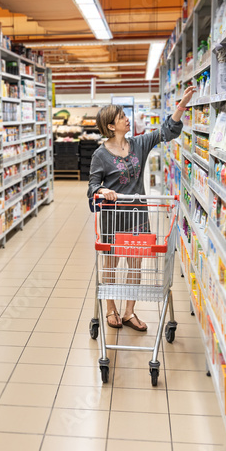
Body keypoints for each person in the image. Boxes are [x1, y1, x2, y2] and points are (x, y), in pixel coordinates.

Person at [87, 86, 195, 331]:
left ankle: (129, 312)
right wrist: (103, 191)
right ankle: (110, 309)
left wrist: (182, 105)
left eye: (125, 115)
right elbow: (92, 185)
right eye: (122, 117)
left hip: (138, 215)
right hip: (114, 219)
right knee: (111, 263)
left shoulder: (138, 144)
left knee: (136, 263)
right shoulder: (100, 155)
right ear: (111, 126)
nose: (127, 119)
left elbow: (166, 132)